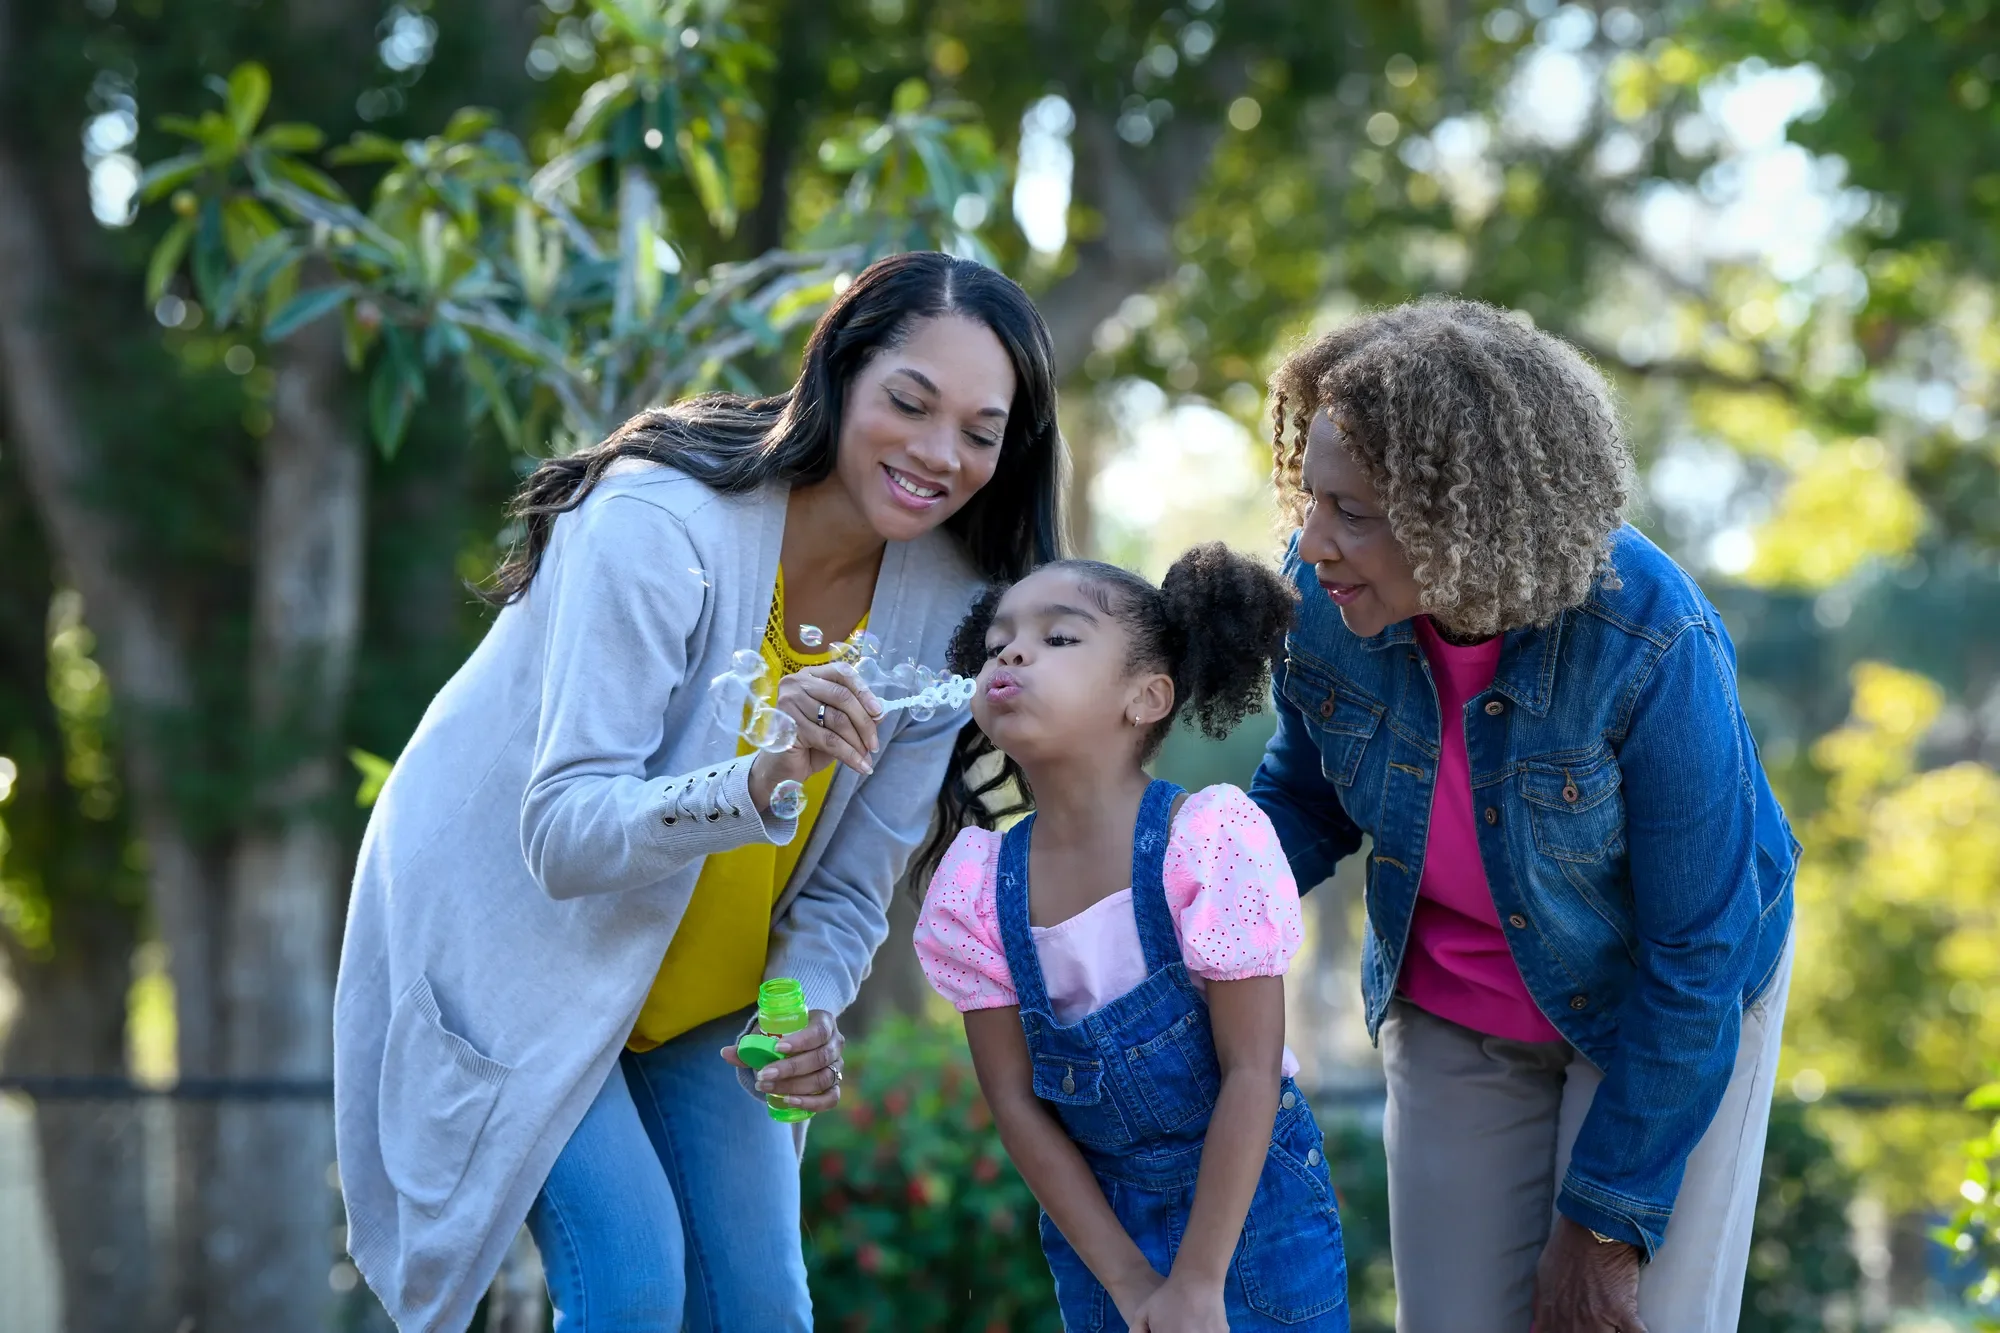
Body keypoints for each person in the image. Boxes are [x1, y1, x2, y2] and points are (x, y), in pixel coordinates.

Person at [332, 251, 1065, 1332]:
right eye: (908, 403)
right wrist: (762, 776)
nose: (935, 453)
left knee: (761, 1306)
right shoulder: (654, 526)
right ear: (839, 375)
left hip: (707, 987)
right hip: (518, 949)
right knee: (633, 1283)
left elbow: (848, 893)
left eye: (977, 430)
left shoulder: (953, 605)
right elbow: (564, 830)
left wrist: (799, 1010)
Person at [1248, 298, 1798, 1333]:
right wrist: (1174, 896)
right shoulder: (1321, 598)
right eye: (1308, 497)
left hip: (1657, 1008)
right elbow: (1303, 798)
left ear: (1460, 520)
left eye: (1351, 511)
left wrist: (1601, 1229)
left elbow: (1698, 951)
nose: (1310, 540)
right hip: (1455, 1004)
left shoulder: (1647, 636)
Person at [915, 545, 1350, 1333]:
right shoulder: (978, 886)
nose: (1011, 651)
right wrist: (1126, 1279)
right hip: (1100, 1241)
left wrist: (1196, 1282)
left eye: (1059, 637)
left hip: (1253, 1227)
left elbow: (1251, 1070)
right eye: (998, 642)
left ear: (1147, 697)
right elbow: (1014, 1102)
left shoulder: (1208, 843)